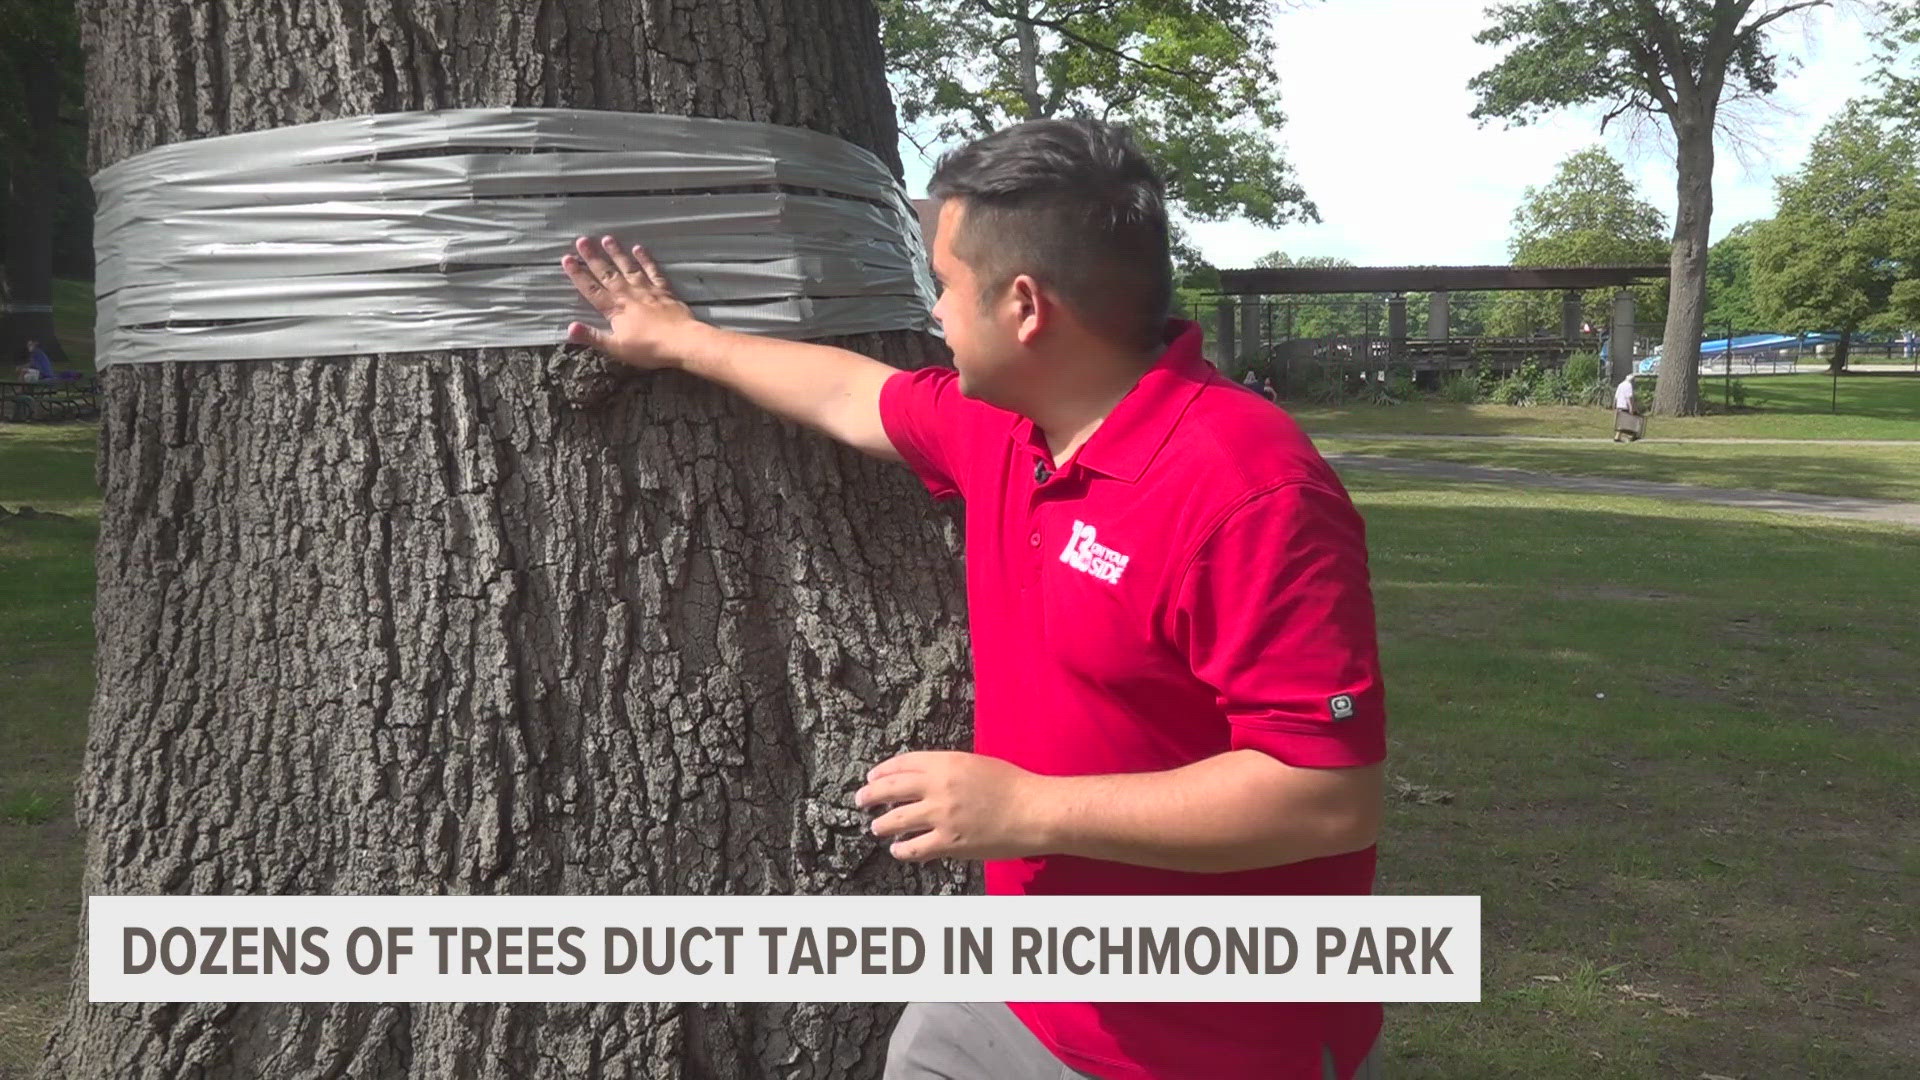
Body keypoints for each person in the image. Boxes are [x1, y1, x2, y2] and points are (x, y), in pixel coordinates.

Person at [559, 118, 1386, 1080]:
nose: (936, 313)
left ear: (1025, 306)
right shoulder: (1007, 429)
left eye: (946, 286)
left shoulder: (1249, 491)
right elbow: (851, 395)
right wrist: (685, 341)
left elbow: (1326, 798)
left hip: (1212, 1041)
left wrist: (1030, 808)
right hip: (1016, 983)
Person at [1613, 371, 1643, 442]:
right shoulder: (1629, 386)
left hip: (1619, 405)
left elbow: (1616, 397)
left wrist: (1614, 405)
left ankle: (1617, 437)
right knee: (1633, 422)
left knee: (1621, 422)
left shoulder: (1620, 384)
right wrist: (1631, 408)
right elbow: (1629, 397)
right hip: (1625, 406)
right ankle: (1632, 436)